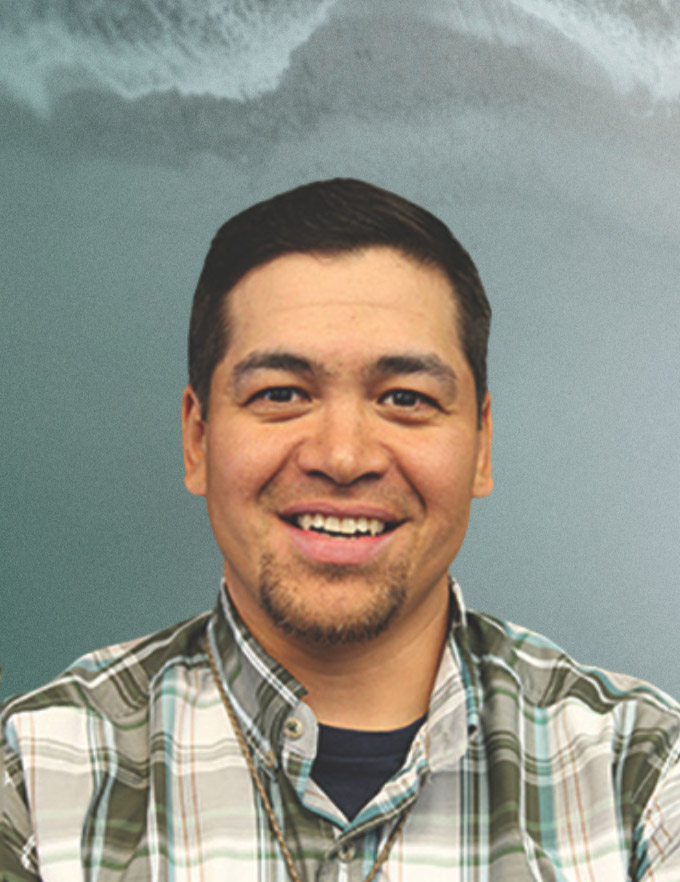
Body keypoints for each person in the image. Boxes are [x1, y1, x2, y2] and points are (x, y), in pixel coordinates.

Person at [1, 179, 678, 882]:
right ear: (198, 440)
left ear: (481, 445)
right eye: (281, 394)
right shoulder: (35, 779)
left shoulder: (643, 776)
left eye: (406, 398)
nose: (344, 457)